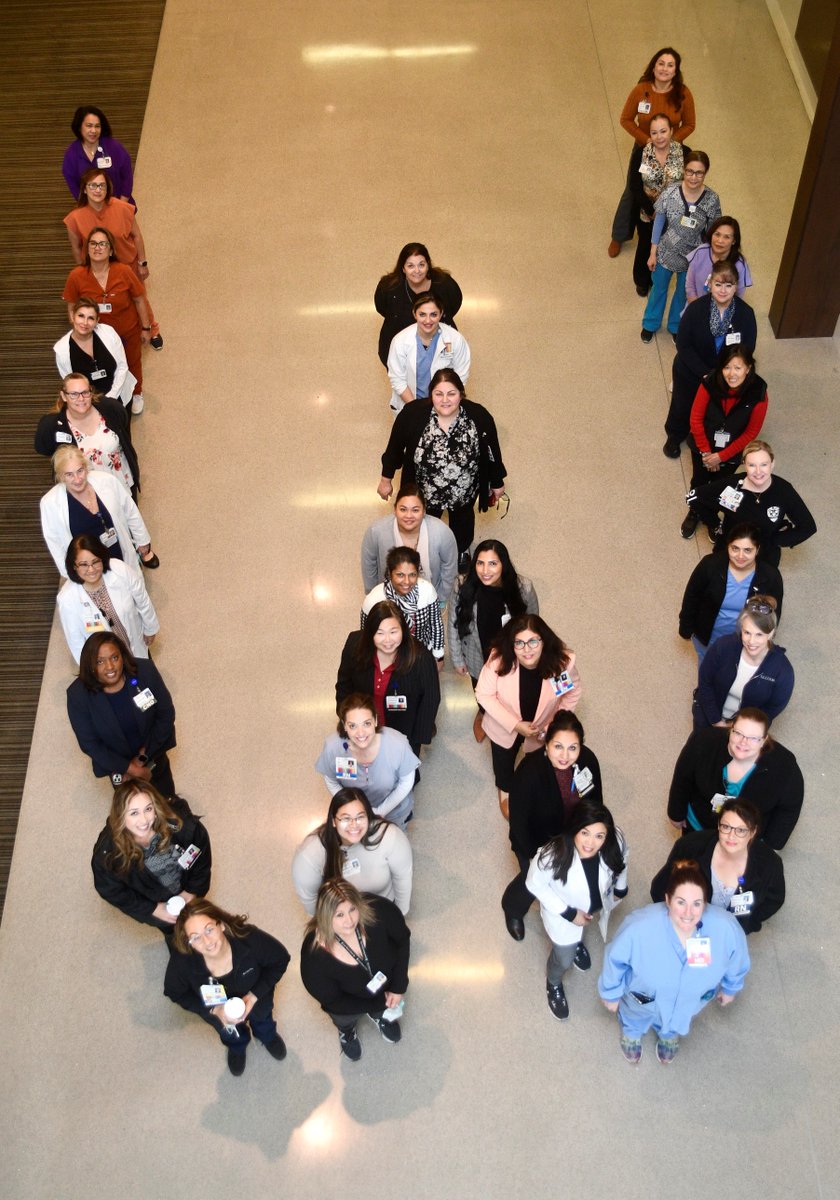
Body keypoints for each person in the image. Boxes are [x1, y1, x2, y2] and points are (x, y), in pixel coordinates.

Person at [598, 860, 750, 1064]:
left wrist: (731, 988)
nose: (688, 913)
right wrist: (610, 993)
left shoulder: (726, 928)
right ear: (668, 900)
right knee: (635, 1015)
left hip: (689, 1001)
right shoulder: (639, 927)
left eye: (696, 903)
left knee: (677, 1018)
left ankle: (668, 1034)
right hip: (643, 998)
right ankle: (632, 1032)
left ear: (705, 903)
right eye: (681, 902)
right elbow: (614, 960)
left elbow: (737, 959)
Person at [378, 368, 507, 567]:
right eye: (439, 394)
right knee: (425, 524)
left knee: (462, 522)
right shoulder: (412, 414)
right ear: (431, 395)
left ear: (461, 394)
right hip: (425, 492)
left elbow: (492, 452)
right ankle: (427, 551)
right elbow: (394, 448)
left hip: (463, 492)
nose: (445, 400)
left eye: (452, 394)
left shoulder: (479, 417)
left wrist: (497, 482)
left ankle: (461, 550)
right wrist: (386, 479)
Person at [502, 712, 603, 940]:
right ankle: (513, 907)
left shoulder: (588, 761)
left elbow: (596, 803)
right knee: (532, 882)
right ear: (546, 745)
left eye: (573, 748)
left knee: (569, 884)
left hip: (576, 840)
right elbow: (519, 822)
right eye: (558, 746)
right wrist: (532, 857)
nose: (565, 756)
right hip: (537, 844)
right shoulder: (529, 772)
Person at [526, 801, 628, 1020]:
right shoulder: (551, 855)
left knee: (581, 931)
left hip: (593, 907)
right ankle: (553, 983)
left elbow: (623, 859)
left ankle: (578, 941)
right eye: (585, 833)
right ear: (574, 828)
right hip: (564, 918)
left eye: (599, 836)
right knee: (563, 958)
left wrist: (621, 888)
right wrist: (570, 914)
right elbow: (534, 884)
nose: (591, 843)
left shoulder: (615, 839)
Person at [164, 899, 290, 1076]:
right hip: (219, 1012)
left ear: (221, 924)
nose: (207, 942)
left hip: (258, 999)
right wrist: (214, 1010)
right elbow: (174, 992)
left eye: (209, 929)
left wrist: (254, 996)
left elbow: (280, 959)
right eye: (196, 937)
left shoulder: (249, 938)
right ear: (188, 941)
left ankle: (267, 1036)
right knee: (230, 1033)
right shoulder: (183, 961)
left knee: (263, 1020)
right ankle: (237, 1047)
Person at [475, 614, 581, 816]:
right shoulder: (500, 660)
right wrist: (515, 725)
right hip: (504, 726)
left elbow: (572, 693)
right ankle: (505, 788)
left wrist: (553, 726)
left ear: (543, 640)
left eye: (533, 641)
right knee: (503, 758)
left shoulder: (559, 665)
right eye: (519, 643)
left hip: (543, 728)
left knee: (536, 760)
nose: (527, 650)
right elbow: (483, 694)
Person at [300, 880, 410, 1062]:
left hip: (385, 988)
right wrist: (377, 1004)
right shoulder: (315, 958)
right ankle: (347, 1031)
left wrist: (398, 986)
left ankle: (381, 1016)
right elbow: (333, 1001)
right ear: (326, 917)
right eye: (339, 915)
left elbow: (402, 940)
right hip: (347, 1004)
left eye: (352, 909)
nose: (349, 921)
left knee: (381, 1007)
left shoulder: (379, 911)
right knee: (344, 1019)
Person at [668, 707, 803, 849]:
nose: (743, 742)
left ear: (764, 740)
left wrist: (770, 844)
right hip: (698, 825)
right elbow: (682, 778)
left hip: (743, 842)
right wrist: (676, 813)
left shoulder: (785, 766)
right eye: (738, 733)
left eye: (753, 738)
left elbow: (790, 807)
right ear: (730, 729)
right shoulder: (703, 741)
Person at [664, 262, 758, 459]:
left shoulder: (745, 314)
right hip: (691, 371)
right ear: (709, 284)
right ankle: (675, 436)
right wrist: (706, 373)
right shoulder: (696, 309)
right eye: (718, 284)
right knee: (682, 405)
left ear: (736, 287)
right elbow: (684, 345)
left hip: (726, 376)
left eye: (729, 285)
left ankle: (703, 440)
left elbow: (747, 349)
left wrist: (724, 375)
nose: (723, 290)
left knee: (713, 412)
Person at [608, 47, 696, 257]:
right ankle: (619, 235)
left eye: (670, 65)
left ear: (676, 71)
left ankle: (667, 235)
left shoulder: (683, 94)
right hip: (644, 149)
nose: (665, 69)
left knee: (671, 191)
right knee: (633, 191)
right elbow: (626, 120)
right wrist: (649, 140)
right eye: (661, 63)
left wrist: (669, 141)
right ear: (653, 66)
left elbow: (690, 124)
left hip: (672, 152)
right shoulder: (641, 90)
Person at [449, 539, 539, 742]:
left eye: (493, 564)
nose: (485, 571)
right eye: (480, 563)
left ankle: (507, 717)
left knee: (509, 687)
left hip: (510, 653)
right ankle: (484, 713)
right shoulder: (462, 585)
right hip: (476, 652)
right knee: (480, 687)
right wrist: (457, 659)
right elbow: (453, 624)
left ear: (503, 565)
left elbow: (534, 623)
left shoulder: (523, 588)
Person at [63, 168, 162, 351]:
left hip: (127, 264)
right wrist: (82, 271)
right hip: (97, 268)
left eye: (101, 185)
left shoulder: (123, 208)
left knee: (140, 298)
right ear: (84, 189)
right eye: (92, 186)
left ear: (107, 188)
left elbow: (137, 236)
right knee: (102, 303)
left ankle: (152, 328)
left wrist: (143, 262)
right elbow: (76, 247)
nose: (98, 190)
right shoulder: (75, 218)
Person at [651, 799, 785, 934]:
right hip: (685, 926)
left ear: (752, 832)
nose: (731, 836)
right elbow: (659, 887)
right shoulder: (690, 847)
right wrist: (677, 921)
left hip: (729, 933)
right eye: (726, 827)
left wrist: (748, 923)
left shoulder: (770, 864)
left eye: (741, 830)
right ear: (718, 826)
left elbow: (774, 899)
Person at [91, 781, 211, 932]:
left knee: (202, 921)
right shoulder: (108, 854)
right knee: (174, 935)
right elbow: (111, 890)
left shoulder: (183, 826)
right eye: (134, 813)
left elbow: (201, 859)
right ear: (121, 816)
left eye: (148, 809)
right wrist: (152, 909)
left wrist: (192, 891)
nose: (144, 820)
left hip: (189, 890)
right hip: (158, 902)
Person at [67, 632, 177, 795]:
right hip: (118, 767)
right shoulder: (78, 695)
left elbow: (165, 715)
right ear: (89, 665)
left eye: (114, 658)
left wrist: (141, 759)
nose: (109, 667)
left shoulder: (145, 671)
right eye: (100, 661)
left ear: (122, 656)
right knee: (132, 808)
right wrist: (130, 769)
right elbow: (90, 744)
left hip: (153, 750)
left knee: (167, 799)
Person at [679, 347, 768, 536]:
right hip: (703, 446)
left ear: (748, 368)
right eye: (726, 367)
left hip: (732, 451)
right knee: (699, 481)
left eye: (738, 368)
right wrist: (706, 453)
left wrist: (720, 456)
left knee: (723, 486)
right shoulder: (709, 383)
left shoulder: (758, 393)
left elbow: (751, 432)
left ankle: (711, 516)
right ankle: (695, 511)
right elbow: (695, 419)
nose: (731, 374)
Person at [62, 227, 151, 413]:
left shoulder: (124, 271)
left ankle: (136, 392)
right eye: (93, 243)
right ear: (87, 250)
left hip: (127, 330)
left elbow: (139, 299)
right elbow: (71, 306)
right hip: (94, 336)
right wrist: (78, 330)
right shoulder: (76, 276)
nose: (98, 248)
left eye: (103, 244)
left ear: (111, 250)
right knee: (101, 366)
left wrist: (146, 327)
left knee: (132, 361)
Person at [686, 440, 816, 568]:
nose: (758, 471)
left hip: (763, 557)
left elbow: (808, 527)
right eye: (752, 465)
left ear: (772, 463)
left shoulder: (784, 490)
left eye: (764, 464)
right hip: (730, 552)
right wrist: (716, 524)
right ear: (744, 464)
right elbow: (694, 497)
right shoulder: (732, 485)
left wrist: (775, 540)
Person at [336, 601, 440, 755]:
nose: (387, 640)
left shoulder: (421, 658)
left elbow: (430, 699)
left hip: (403, 728)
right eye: (380, 633)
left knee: (401, 769)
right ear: (370, 633)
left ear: (404, 630)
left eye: (393, 632)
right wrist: (347, 720)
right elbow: (344, 685)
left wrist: (417, 739)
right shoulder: (354, 644)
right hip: (364, 727)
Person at [292, 787, 412, 916]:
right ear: (333, 821)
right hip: (341, 918)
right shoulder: (309, 854)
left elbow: (403, 877)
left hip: (382, 909)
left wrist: (399, 914)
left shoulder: (389, 836)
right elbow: (310, 900)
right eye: (345, 818)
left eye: (360, 817)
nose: (354, 825)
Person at [40, 446, 159, 577]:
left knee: (130, 586)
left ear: (86, 468)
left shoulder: (107, 481)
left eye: (80, 471)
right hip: (89, 569)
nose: (77, 479)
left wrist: (142, 540)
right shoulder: (50, 503)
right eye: (69, 475)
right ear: (61, 476)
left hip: (118, 552)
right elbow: (55, 543)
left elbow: (130, 510)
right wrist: (71, 575)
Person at [641, 151, 721, 342]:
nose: (694, 177)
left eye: (699, 173)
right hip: (666, 252)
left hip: (693, 256)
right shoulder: (670, 192)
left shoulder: (712, 199)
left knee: (683, 293)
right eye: (690, 171)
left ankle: (676, 325)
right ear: (684, 170)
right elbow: (659, 222)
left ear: (706, 173)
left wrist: (711, 261)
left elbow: (713, 233)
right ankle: (650, 323)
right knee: (658, 289)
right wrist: (653, 252)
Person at [678, 522, 783, 660]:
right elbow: (692, 596)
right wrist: (685, 628)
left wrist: (762, 640)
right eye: (735, 548)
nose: (740, 556)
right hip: (708, 634)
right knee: (707, 663)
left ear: (757, 550)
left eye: (747, 550)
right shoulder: (710, 565)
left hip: (745, 641)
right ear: (727, 546)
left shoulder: (770, 576)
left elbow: (774, 613)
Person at [315, 694, 421, 830]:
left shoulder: (397, 745)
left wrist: (380, 811)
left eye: (367, 723)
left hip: (393, 812)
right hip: (354, 814)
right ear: (344, 725)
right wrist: (353, 808)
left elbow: (406, 783)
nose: (360, 733)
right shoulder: (333, 748)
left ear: (376, 721)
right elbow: (331, 780)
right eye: (352, 726)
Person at [693, 596, 794, 729]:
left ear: (771, 633)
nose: (751, 641)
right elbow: (705, 681)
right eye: (747, 632)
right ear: (741, 629)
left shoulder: (783, 670)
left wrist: (737, 727)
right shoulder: (723, 646)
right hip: (708, 715)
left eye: (759, 635)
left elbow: (772, 708)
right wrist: (715, 721)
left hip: (745, 729)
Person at [57, 534, 159, 663]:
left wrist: (150, 628)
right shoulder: (67, 599)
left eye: (95, 562)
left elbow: (142, 600)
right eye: (83, 565)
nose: (91, 569)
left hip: (134, 645)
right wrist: (91, 671)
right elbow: (76, 642)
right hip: (105, 663)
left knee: (145, 676)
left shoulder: (119, 569)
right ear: (74, 566)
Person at [35, 373, 140, 497]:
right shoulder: (51, 425)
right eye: (74, 394)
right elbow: (43, 448)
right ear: (63, 396)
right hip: (84, 489)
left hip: (121, 481)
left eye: (85, 392)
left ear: (91, 393)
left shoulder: (110, 408)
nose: (81, 399)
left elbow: (123, 423)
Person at [361, 483, 458, 605]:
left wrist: (441, 597)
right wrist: (374, 595)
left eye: (415, 510)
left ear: (424, 511)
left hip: (428, 597)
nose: (409, 516)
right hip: (390, 599)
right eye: (403, 509)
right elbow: (369, 564)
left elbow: (449, 566)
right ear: (395, 510)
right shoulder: (376, 532)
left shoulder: (441, 532)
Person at [374, 242, 463, 366]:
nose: (417, 271)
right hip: (401, 351)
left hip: (440, 345)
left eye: (421, 265)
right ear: (403, 268)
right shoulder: (388, 287)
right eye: (410, 266)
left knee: (442, 379)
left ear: (428, 265)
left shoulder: (445, 284)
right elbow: (382, 308)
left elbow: (454, 304)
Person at [628, 112, 684, 295]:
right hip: (648, 213)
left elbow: (690, 182)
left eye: (663, 131)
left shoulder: (684, 152)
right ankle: (642, 281)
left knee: (669, 247)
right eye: (654, 133)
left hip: (674, 214)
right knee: (645, 245)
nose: (659, 137)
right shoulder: (641, 154)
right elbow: (634, 185)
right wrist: (650, 209)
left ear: (671, 131)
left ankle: (661, 282)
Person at [386, 292, 470, 413]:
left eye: (433, 314)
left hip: (444, 404)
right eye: (422, 314)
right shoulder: (400, 341)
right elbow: (397, 379)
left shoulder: (455, 339)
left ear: (441, 314)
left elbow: (461, 375)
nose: (428, 320)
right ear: (414, 314)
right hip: (409, 403)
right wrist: (416, 408)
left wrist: (443, 402)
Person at [361, 547, 444, 665]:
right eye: (400, 575)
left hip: (421, 653)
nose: (407, 581)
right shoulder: (374, 599)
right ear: (390, 573)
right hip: (388, 657)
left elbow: (436, 624)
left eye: (412, 575)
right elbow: (366, 635)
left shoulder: (427, 591)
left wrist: (438, 657)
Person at [53, 298, 136, 409]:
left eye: (91, 318)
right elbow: (71, 384)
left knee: (122, 424)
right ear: (72, 316)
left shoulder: (109, 333)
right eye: (81, 316)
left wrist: (111, 398)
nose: (85, 323)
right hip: (87, 404)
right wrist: (91, 403)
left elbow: (122, 366)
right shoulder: (61, 350)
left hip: (119, 392)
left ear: (97, 321)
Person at [61, 106, 135, 204]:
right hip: (93, 209)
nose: (93, 131)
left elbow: (127, 176)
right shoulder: (71, 155)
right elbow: (75, 189)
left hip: (120, 203)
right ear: (79, 127)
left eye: (97, 126)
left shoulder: (113, 146)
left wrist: (121, 205)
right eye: (89, 126)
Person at [685, 215, 753, 303]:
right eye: (717, 234)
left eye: (727, 237)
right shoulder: (700, 252)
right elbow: (690, 285)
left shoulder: (739, 264)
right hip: (695, 306)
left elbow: (738, 296)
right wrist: (697, 309)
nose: (720, 241)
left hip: (722, 312)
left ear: (734, 241)